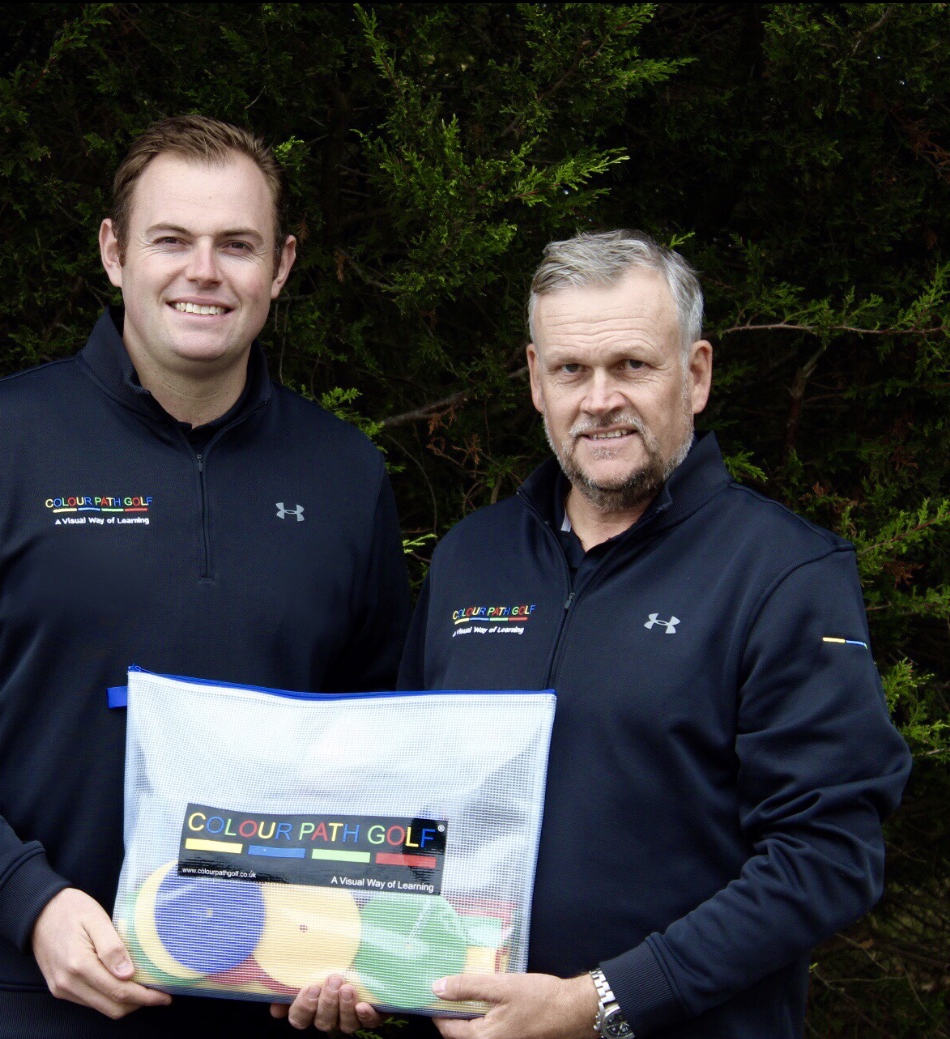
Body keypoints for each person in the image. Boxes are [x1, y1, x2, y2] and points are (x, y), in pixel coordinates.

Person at [0, 115, 411, 1039]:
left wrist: (354, 941)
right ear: (114, 252)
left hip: (262, 1004)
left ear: (282, 265)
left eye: (237, 245)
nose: (203, 271)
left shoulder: (343, 473)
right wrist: (25, 898)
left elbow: (372, 733)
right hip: (18, 1004)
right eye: (171, 239)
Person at [379, 230, 910, 1039]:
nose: (599, 399)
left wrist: (600, 1002)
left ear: (694, 374)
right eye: (571, 370)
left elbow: (826, 856)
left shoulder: (782, 573)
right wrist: (358, 957)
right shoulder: (469, 558)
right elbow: (408, 806)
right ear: (536, 379)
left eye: (631, 364)